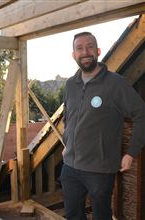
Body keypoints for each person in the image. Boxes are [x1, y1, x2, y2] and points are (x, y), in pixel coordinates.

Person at [60, 32, 145, 220]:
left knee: (101, 216)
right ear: (74, 54)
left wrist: (131, 152)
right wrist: (67, 143)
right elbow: (69, 117)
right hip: (70, 167)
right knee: (73, 215)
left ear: (98, 51)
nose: (85, 52)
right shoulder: (70, 85)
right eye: (79, 48)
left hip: (100, 169)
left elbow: (141, 114)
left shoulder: (116, 84)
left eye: (90, 47)